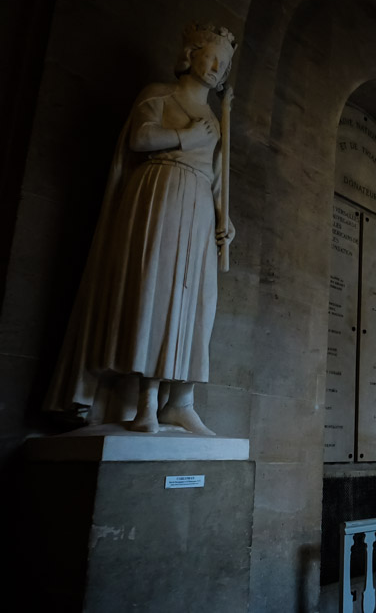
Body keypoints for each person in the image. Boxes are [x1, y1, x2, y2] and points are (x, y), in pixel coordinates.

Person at [43, 23, 237, 435]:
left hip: (199, 206)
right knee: (154, 293)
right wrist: (185, 136)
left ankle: (179, 401)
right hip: (162, 191)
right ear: (192, 53)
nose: (219, 68)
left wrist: (225, 219)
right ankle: (145, 402)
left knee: (197, 304)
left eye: (226, 63)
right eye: (214, 56)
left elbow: (217, 178)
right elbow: (140, 138)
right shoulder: (159, 94)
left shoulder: (218, 120)